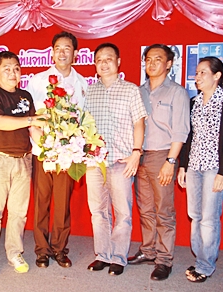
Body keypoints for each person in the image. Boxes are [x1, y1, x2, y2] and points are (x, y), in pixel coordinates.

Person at [0, 51, 48, 277]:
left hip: (24, 160)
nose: (12, 72)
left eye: (16, 68)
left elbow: (33, 129)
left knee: (19, 213)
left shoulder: (25, 95)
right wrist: (31, 120)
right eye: (6, 68)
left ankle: (14, 253)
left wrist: (51, 150)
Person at [26, 31, 87, 269]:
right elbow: (31, 117)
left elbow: (82, 120)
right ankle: (42, 250)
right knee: (42, 203)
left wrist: (73, 148)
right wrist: (42, 146)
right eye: (58, 48)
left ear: (75, 53)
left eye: (67, 48)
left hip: (68, 154)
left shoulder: (81, 83)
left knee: (62, 204)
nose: (62, 52)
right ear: (52, 52)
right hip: (42, 151)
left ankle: (60, 249)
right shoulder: (38, 81)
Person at [129, 44, 190, 280]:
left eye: (158, 59)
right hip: (140, 155)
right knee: (145, 209)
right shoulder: (139, 91)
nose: (152, 63)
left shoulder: (177, 92)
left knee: (163, 211)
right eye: (148, 59)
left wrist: (170, 160)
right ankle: (148, 250)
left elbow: (181, 131)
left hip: (163, 155)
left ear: (169, 64)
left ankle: (164, 260)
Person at [84, 43, 146, 276]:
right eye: (99, 59)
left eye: (108, 58)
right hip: (94, 162)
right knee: (98, 211)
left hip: (122, 160)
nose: (104, 63)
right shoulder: (90, 92)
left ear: (118, 62)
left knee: (122, 212)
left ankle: (119, 257)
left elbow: (139, 122)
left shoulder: (130, 90)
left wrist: (136, 153)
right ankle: (102, 254)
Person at [177, 57, 223, 283]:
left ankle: (205, 265)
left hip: (215, 168)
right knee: (195, 215)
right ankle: (200, 258)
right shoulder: (194, 103)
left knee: (209, 219)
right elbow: (188, 138)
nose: (198, 77)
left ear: (217, 76)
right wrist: (182, 166)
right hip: (194, 166)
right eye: (197, 73)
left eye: (204, 72)